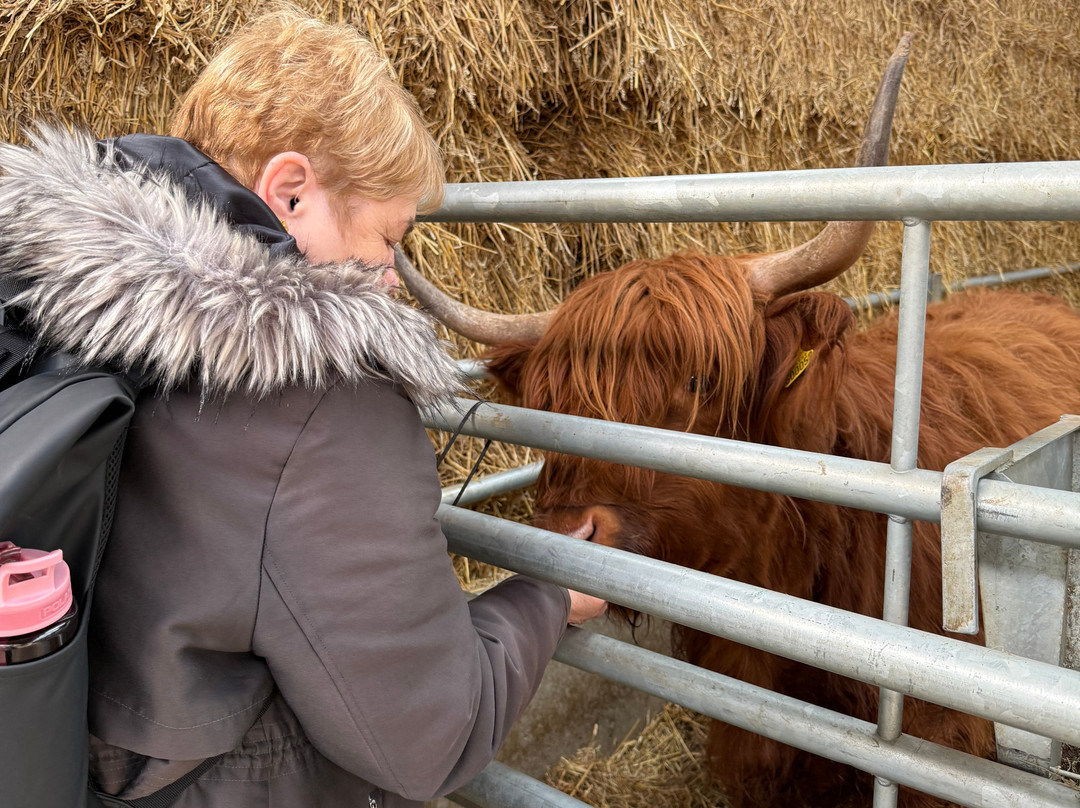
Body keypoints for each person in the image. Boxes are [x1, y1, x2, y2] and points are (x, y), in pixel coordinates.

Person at [0, 7, 605, 807]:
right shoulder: (317, 402)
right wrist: (551, 595)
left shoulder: (48, 296)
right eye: (391, 238)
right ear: (288, 192)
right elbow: (434, 736)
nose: (395, 277)